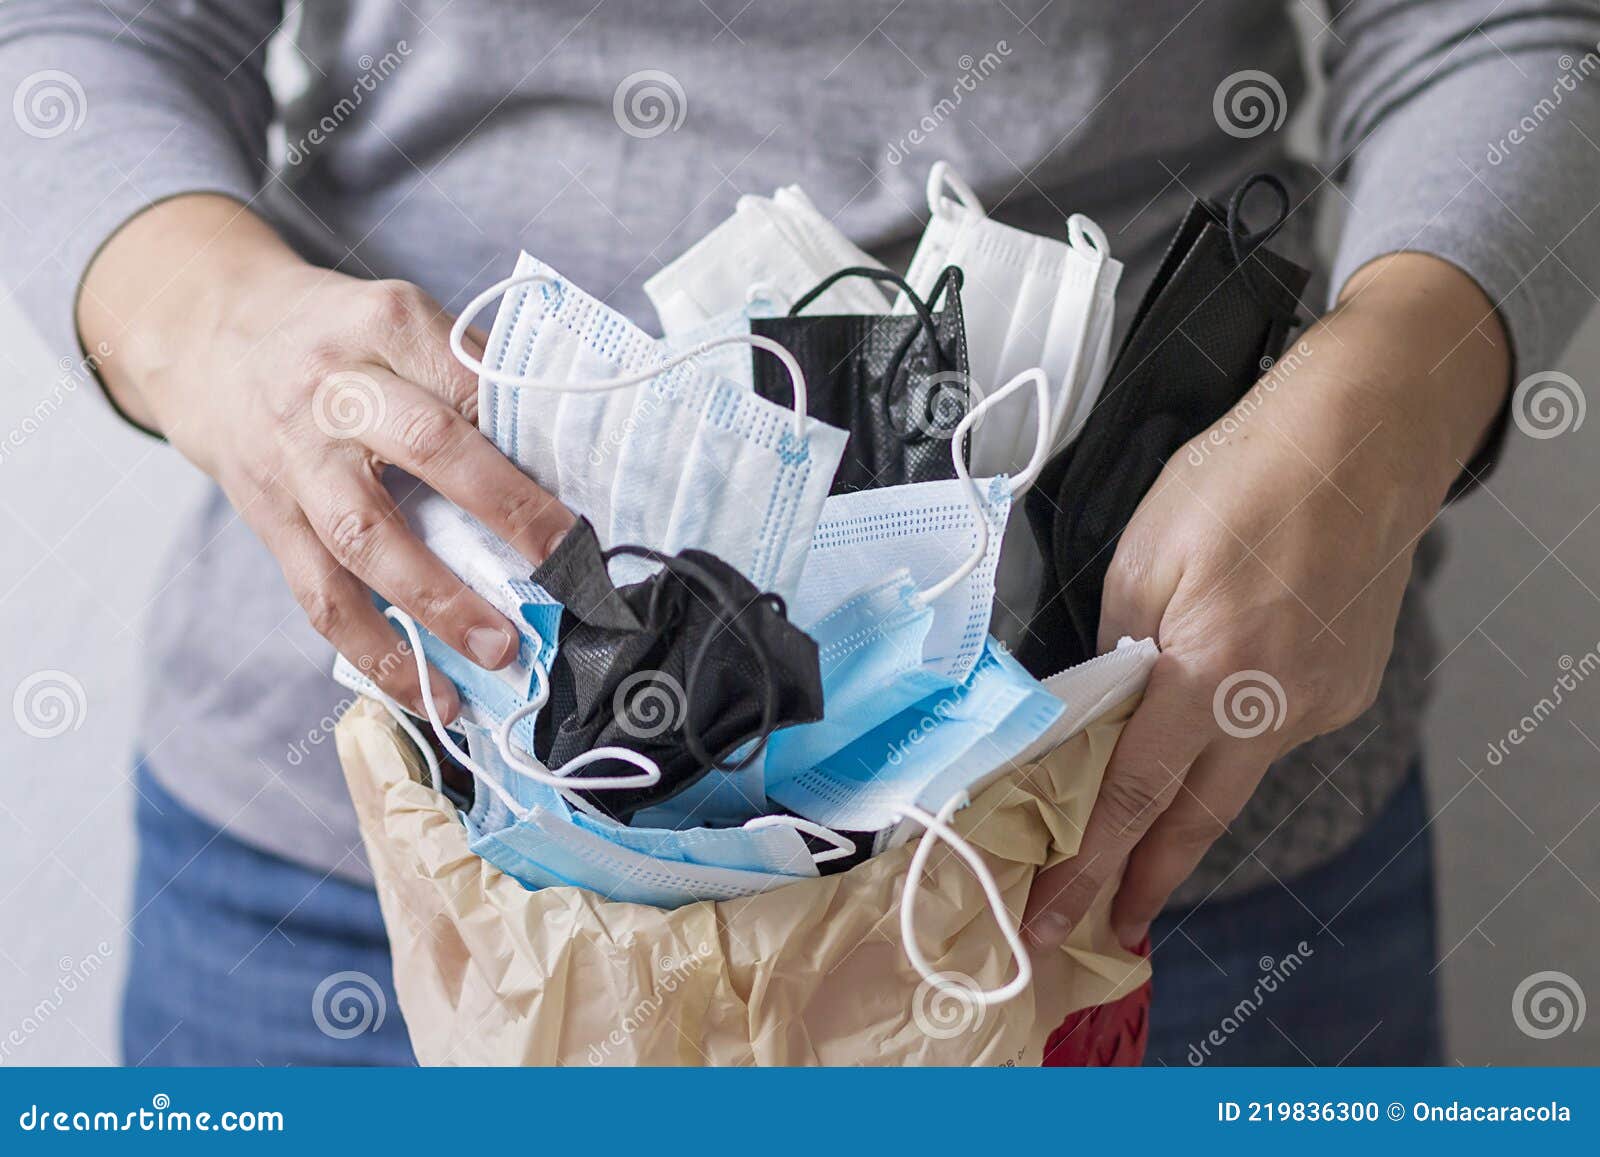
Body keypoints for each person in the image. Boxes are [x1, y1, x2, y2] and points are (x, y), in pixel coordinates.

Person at [3, 1, 1597, 1067]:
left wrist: (1384, 414)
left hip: (1160, 845)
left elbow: (1512, 28)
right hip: (390, 871)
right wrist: (209, 327)